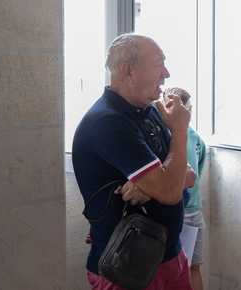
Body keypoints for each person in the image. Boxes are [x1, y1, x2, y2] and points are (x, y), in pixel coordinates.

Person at [72, 33, 194, 290]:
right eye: (159, 63)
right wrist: (181, 131)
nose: (167, 73)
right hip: (127, 267)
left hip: (169, 255)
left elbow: (189, 174)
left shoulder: (150, 111)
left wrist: (147, 186)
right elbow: (171, 191)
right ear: (129, 70)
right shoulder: (108, 122)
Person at [163, 87, 208, 290]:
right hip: (180, 211)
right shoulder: (173, 135)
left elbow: (192, 175)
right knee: (188, 269)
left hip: (187, 211)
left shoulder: (194, 139)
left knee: (184, 269)